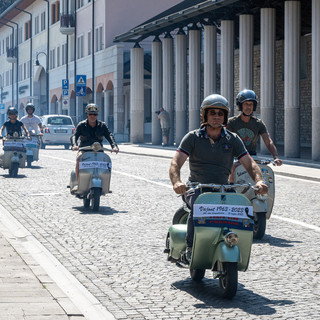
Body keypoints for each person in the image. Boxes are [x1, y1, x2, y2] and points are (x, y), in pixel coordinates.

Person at [169, 94, 268, 262]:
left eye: (220, 113)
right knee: (198, 208)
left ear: (225, 116)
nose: (216, 117)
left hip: (223, 189)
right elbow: (175, 163)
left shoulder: (232, 139)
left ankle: (232, 243)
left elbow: (249, 163)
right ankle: (190, 248)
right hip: (197, 188)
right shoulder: (192, 137)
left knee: (239, 213)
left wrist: (259, 180)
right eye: (212, 113)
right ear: (205, 115)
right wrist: (177, 181)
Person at [228, 89, 282, 165]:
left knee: (260, 175)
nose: (248, 107)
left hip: (252, 156)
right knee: (234, 171)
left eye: (251, 104)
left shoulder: (258, 123)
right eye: (246, 104)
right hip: (236, 156)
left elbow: (268, 141)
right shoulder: (231, 122)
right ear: (240, 105)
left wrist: (275, 157)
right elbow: (225, 140)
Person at [71, 103, 119, 182]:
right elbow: (74, 136)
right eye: (90, 114)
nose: (92, 116)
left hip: (99, 150)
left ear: (97, 115)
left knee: (106, 163)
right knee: (79, 158)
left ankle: (105, 183)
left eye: (95, 114)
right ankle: (78, 182)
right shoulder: (81, 125)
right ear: (87, 115)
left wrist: (114, 146)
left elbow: (109, 136)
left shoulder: (102, 125)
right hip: (84, 150)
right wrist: (74, 145)